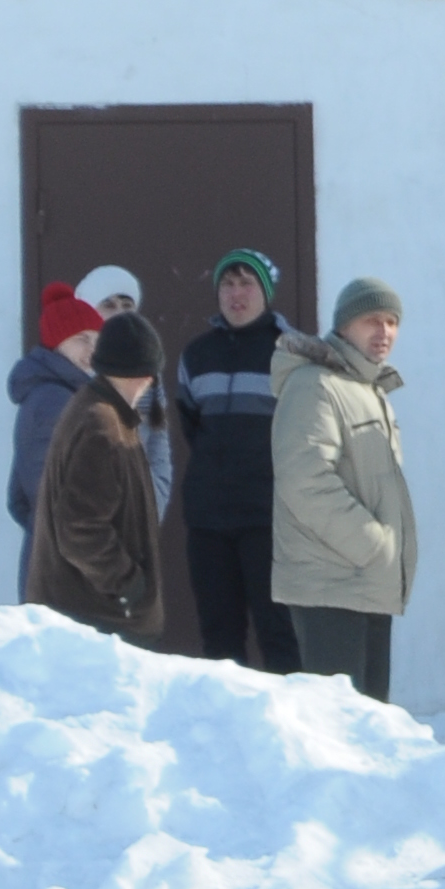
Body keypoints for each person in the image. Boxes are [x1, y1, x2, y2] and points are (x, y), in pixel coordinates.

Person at [271, 278, 417, 702]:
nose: (384, 331)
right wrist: (373, 543)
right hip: (332, 587)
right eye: (373, 320)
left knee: (371, 733)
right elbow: (304, 480)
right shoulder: (315, 387)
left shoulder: (370, 392)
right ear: (344, 325)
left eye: (392, 322)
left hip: (367, 584)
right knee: (341, 735)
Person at [176, 248, 299, 672]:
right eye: (227, 284)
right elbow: (190, 424)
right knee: (219, 639)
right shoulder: (196, 356)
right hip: (209, 521)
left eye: (246, 283)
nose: (236, 294)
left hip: (270, 520)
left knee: (280, 635)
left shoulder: (290, 353)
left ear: (265, 292)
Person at [27, 312, 167, 639]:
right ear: (146, 375)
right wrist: (128, 585)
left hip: (87, 618)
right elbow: (79, 529)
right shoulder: (103, 428)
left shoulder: (97, 411)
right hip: (96, 623)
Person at [7, 285, 100, 582]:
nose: (92, 351)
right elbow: (53, 493)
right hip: (64, 565)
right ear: (57, 343)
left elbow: (18, 499)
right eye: (81, 340)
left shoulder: (68, 395)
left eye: (97, 340)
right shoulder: (54, 401)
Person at [76, 265, 173, 516]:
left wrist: (153, 503)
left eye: (126, 305)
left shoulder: (147, 371)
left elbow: (158, 446)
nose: (119, 313)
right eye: (108, 304)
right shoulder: (74, 368)